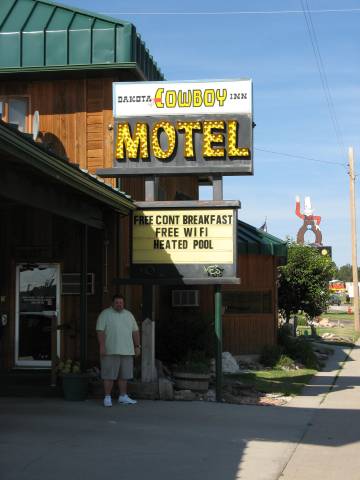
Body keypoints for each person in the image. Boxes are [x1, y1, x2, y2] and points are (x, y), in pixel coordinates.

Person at [96, 294, 141, 407]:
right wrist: (102, 346)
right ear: (112, 303)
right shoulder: (105, 314)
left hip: (127, 351)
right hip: (110, 350)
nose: (119, 304)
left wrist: (137, 346)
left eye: (121, 302)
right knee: (109, 376)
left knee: (124, 376)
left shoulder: (129, 315)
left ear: (123, 303)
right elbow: (100, 331)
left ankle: (123, 396)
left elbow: (135, 331)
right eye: (117, 302)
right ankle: (107, 397)